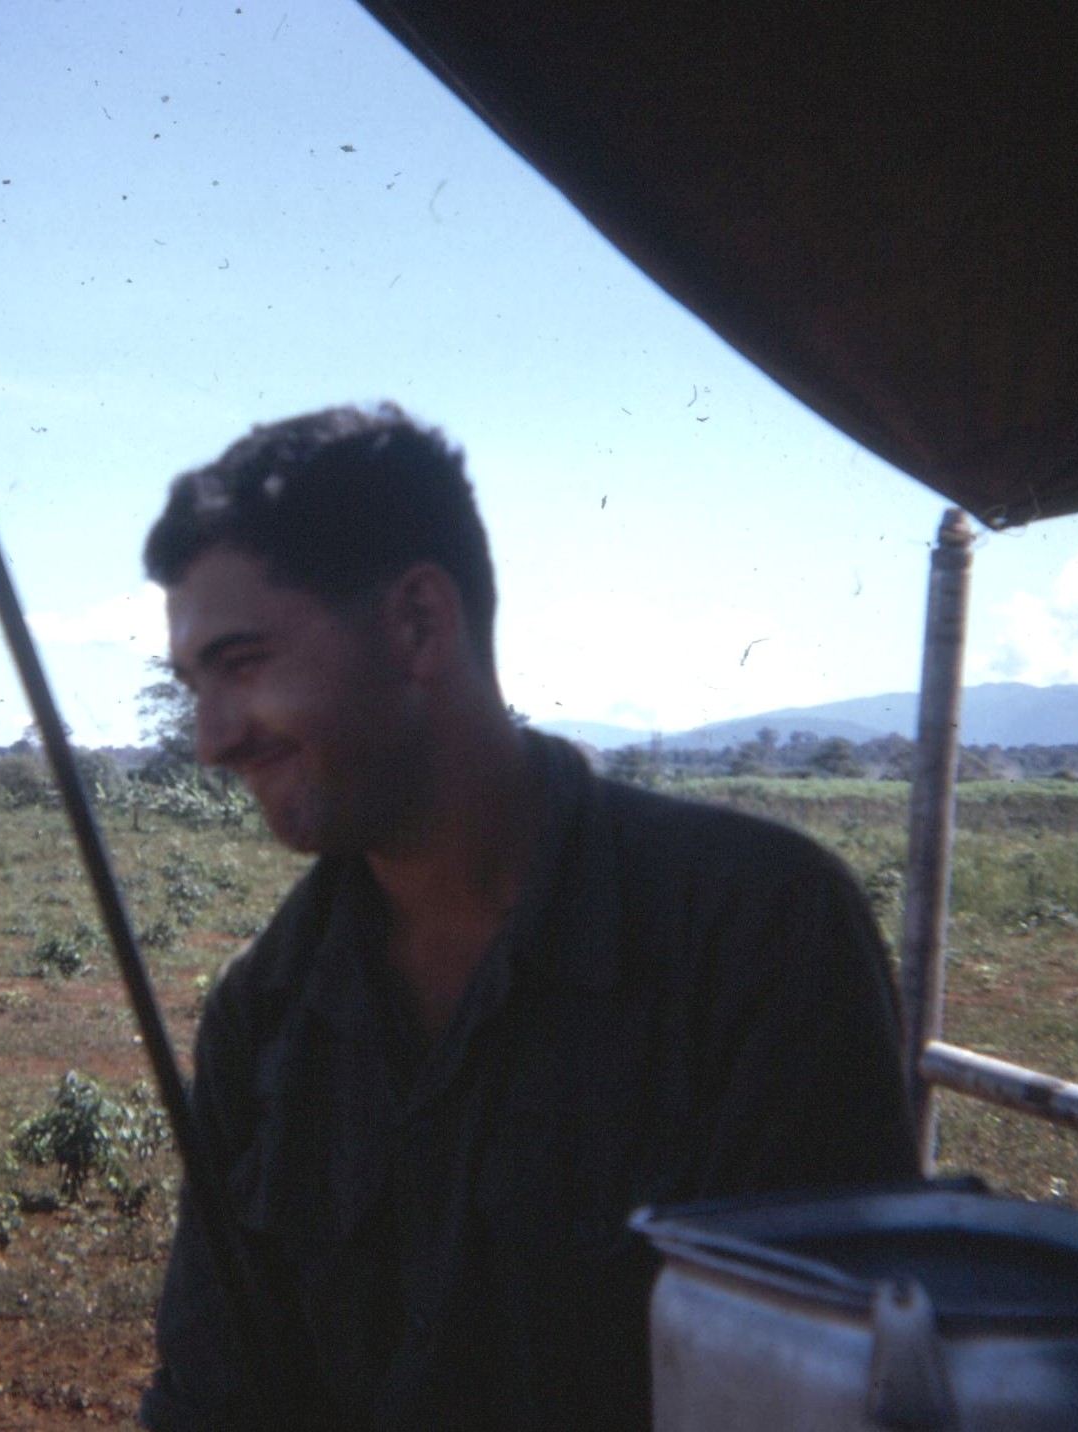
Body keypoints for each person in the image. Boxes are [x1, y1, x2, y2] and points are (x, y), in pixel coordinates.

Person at [139, 404, 918, 1431]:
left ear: (418, 623)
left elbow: (830, 1392)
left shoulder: (756, 932)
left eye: (243, 664)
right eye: (195, 683)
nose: (211, 739)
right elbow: (211, 1399)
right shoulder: (266, 1009)